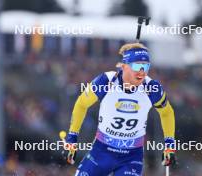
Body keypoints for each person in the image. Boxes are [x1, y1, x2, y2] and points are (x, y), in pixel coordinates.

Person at [65, 43, 176, 176]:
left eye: (146, 66)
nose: (142, 71)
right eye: (137, 66)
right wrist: (72, 138)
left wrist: (169, 144)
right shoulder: (106, 82)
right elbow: (81, 104)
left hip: (131, 157)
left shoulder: (151, 88)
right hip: (101, 152)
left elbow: (167, 112)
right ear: (124, 66)